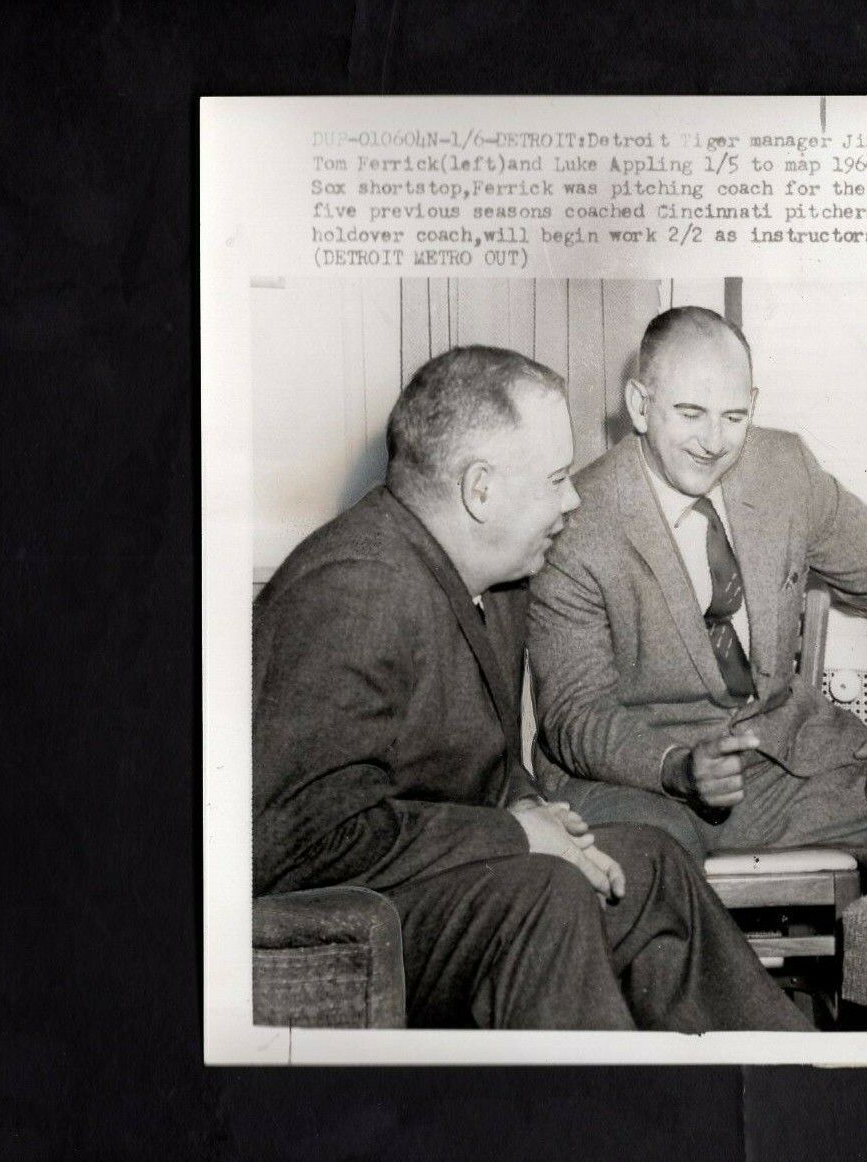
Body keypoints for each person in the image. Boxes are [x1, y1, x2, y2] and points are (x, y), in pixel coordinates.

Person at [253, 345, 809, 1031]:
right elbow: (299, 840)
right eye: (555, 480)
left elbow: (478, 763)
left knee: (647, 861)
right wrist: (514, 834)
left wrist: (541, 815)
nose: (574, 500)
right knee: (545, 893)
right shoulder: (355, 590)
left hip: (449, 879)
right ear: (480, 490)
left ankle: (788, 1079)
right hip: (360, 922)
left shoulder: (499, 581)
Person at [527, 306, 867, 859]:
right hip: (635, 780)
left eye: (733, 417)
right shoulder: (577, 522)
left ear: (753, 405)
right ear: (640, 405)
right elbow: (575, 714)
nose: (713, 442)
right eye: (690, 414)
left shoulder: (784, 469)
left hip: (783, 764)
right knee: (653, 868)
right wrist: (679, 767)